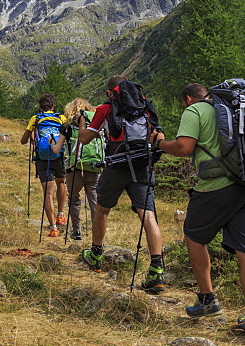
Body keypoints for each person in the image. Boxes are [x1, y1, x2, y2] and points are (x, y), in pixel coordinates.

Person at [156, 82, 245, 342]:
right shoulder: (237, 108)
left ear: (187, 99)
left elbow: (184, 148)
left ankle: (207, 299)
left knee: (194, 235)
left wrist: (161, 143)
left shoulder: (195, 111)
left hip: (217, 185)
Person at [76, 76, 166, 293]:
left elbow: (85, 139)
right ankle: (157, 268)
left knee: (102, 209)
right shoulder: (144, 106)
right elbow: (159, 134)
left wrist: (81, 126)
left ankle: (96, 254)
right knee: (148, 215)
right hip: (142, 165)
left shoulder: (106, 108)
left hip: (116, 166)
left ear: (110, 92)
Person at [21, 93, 68, 238]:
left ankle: (53, 228)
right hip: (59, 155)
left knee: (48, 192)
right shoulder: (61, 118)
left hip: (42, 158)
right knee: (61, 182)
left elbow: (23, 140)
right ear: (54, 105)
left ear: (40, 106)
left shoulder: (35, 119)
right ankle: (61, 215)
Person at [57, 97, 103, 242]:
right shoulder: (96, 125)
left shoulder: (68, 126)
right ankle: (98, 234)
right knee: (94, 200)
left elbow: (57, 148)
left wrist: (53, 144)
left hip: (74, 168)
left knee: (74, 199)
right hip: (94, 166)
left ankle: (76, 231)